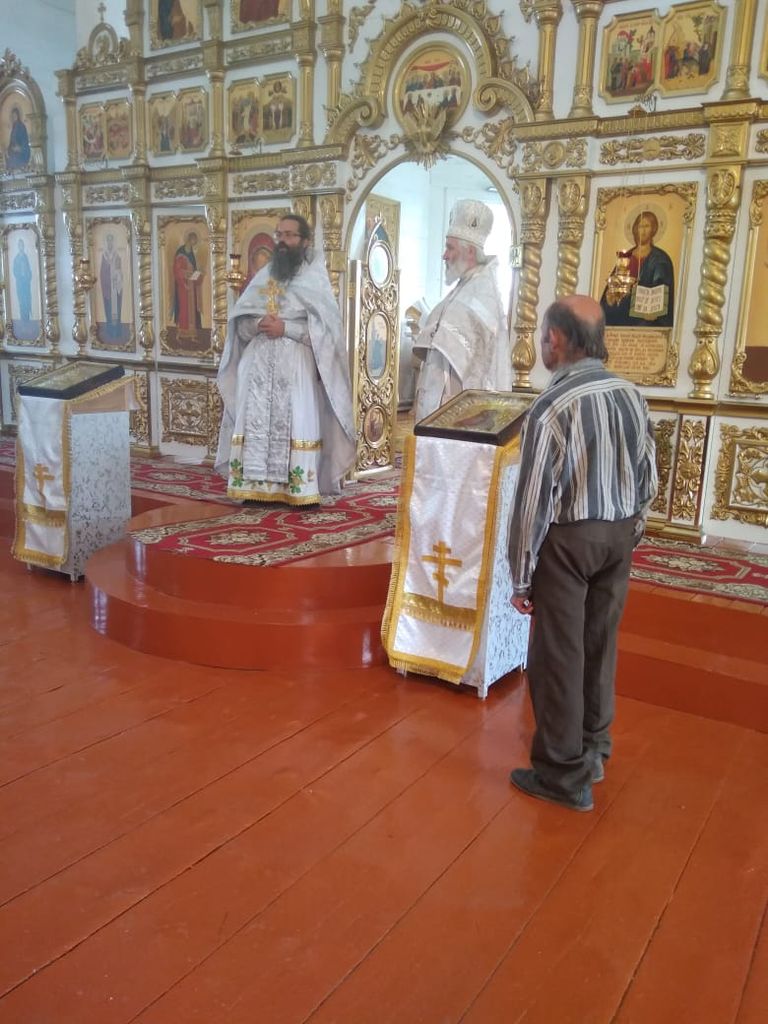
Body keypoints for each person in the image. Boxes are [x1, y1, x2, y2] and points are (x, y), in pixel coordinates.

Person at [507, 295, 657, 812]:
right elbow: (648, 475)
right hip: (619, 536)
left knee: (558, 657)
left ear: (556, 340)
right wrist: (629, 533)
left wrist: (521, 575)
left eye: (543, 336)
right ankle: (593, 750)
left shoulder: (551, 406)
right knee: (599, 645)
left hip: (569, 544)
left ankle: (562, 775)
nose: (542, 343)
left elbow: (532, 502)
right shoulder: (631, 395)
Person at [215, 214, 355, 505]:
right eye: (279, 234)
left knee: (296, 421)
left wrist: (286, 328)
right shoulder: (264, 277)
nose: (282, 240)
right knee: (255, 424)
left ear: (304, 241)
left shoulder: (314, 280)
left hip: (296, 369)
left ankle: (299, 490)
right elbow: (240, 326)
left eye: (290, 235)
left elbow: (327, 334)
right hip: (257, 370)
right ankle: (252, 486)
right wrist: (257, 324)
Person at [412, 199, 511, 421]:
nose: (444, 255)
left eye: (450, 248)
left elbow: (478, 368)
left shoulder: (482, 293)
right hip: (439, 406)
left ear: (470, 251)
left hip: (458, 412)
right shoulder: (464, 287)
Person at [601, 210, 675, 328]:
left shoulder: (660, 258)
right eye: (640, 226)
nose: (643, 231)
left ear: (653, 229)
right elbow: (613, 288)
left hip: (645, 319)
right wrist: (610, 297)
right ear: (635, 229)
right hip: (621, 315)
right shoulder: (626, 257)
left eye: (647, 226)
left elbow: (661, 289)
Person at [172, 231, 203, 338]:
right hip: (183, 286)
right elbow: (177, 270)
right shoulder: (180, 253)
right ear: (190, 239)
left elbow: (192, 269)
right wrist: (184, 282)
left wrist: (197, 274)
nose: (194, 243)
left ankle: (191, 333)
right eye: (194, 241)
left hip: (191, 286)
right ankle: (182, 332)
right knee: (184, 308)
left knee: (191, 310)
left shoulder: (191, 253)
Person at [99, 233, 123, 339]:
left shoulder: (117, 256)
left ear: (113, 242)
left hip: (115, 289)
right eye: (108, 241)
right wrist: (107, 281)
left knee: (116, 310)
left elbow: (120, 271)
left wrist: (117, 277)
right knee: (108, 309)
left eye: (111, 241)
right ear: (106, 242)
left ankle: (117, 331)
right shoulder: (104, 256)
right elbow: (101, 273)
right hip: (107, 289)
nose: (109, 243)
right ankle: (109, 330)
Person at [13, 238, 32, 321]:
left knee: (27, 299)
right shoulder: (16, 259)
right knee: (21, 300)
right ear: (18, 247)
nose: (21, 247)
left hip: (26, 283)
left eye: (22, 245)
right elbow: (14, 271)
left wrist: (28, 277)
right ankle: (23, 318)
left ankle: (27, 318)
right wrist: (20, 277)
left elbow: (29, 269)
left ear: (23, 246)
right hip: (20, 283)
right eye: (20, 245)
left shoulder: (26, 257)